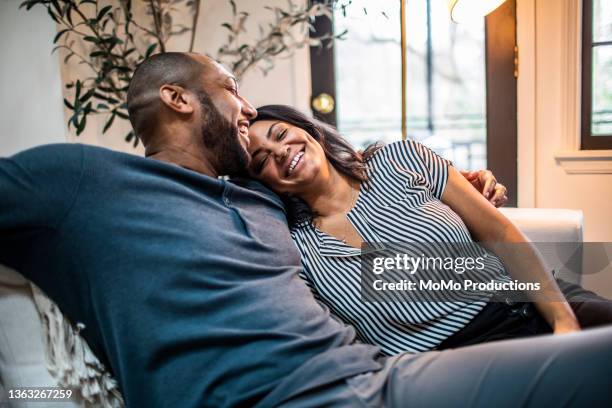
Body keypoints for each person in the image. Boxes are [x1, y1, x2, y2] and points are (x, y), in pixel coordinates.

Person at [0, 52, 611, 408]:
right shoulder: (85, 181)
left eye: (274, 131)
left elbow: (473, 258)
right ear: (179, 99)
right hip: (389, 376)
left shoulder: (267, 206)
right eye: (234, 91)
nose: (248, 118)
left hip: (394, 371)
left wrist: (469, 198)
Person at [246, 104, 612, 354]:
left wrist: (564, 323)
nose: (279, 151)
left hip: (527, 305)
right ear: (265, 183)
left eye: (280, 134)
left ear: (310, 131)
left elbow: (499, 233)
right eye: (262, 159)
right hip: (450, 362)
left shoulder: (401, 158)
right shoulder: (296, 247)